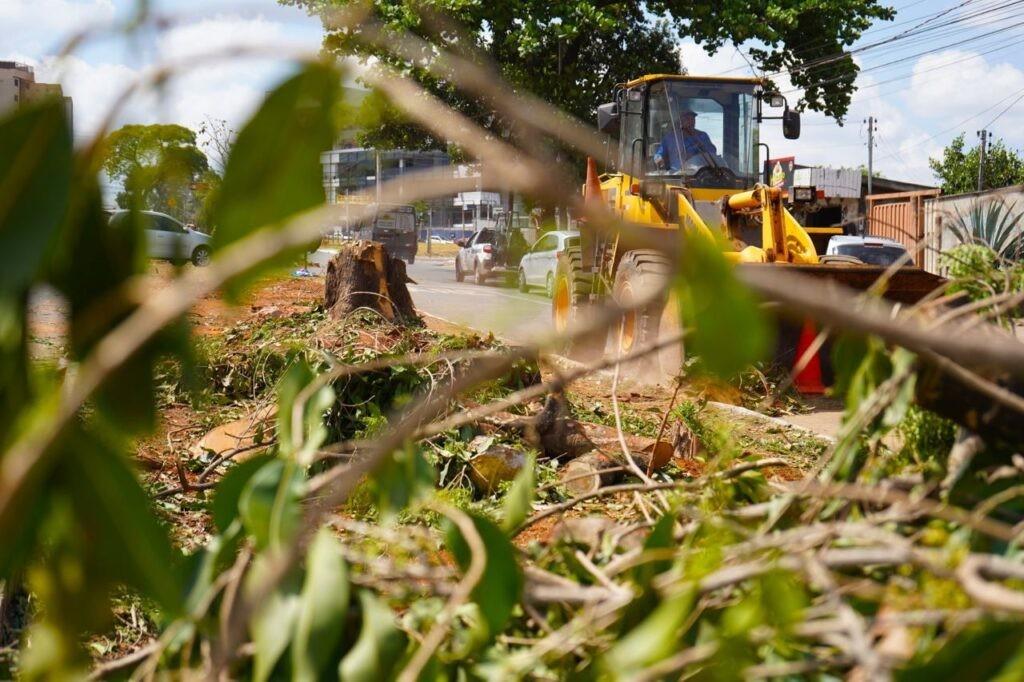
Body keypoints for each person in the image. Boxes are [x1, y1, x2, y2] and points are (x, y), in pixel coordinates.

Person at [655, 106, 717, 172]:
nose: (691, 121)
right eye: (687, 119)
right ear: (680, 121)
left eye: (693, 119)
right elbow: (659, 154)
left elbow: (712, 152)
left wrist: (702, 147)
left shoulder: (702, 136)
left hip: (700, 173)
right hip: (677, 174)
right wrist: (659, 159)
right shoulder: (670, 138)